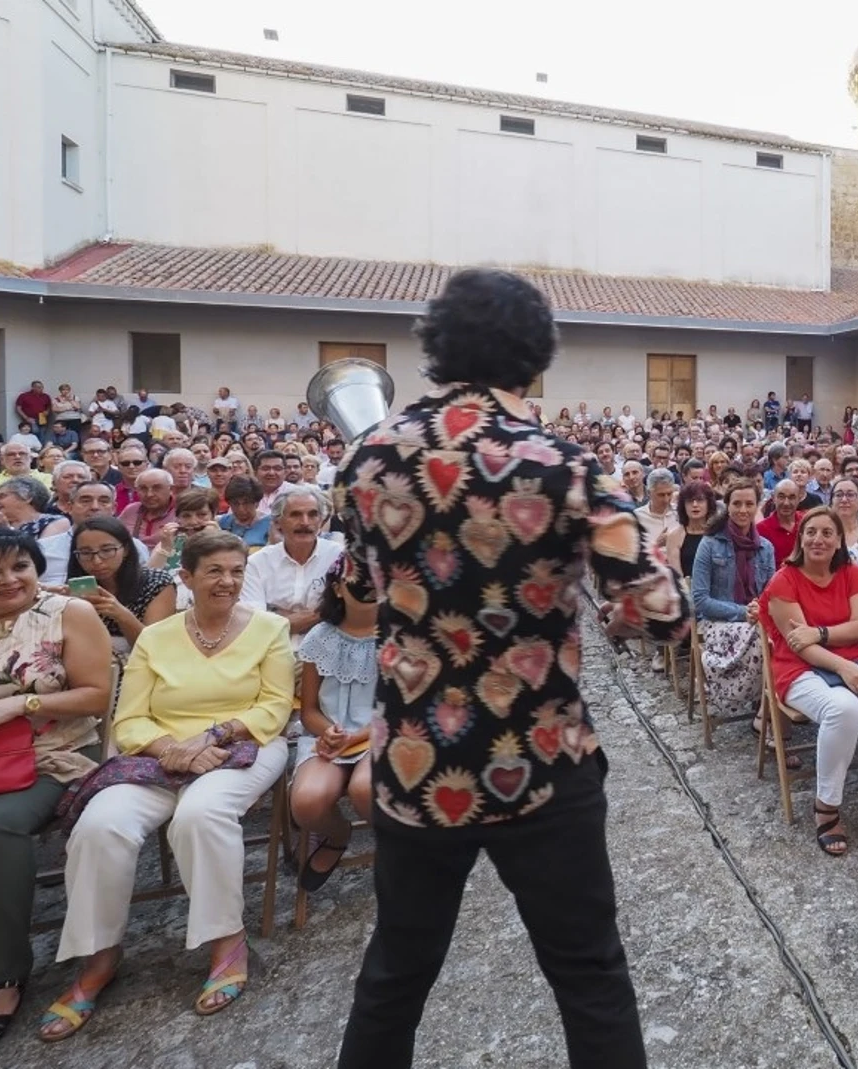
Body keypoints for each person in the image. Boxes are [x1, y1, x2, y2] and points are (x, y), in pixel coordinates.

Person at [334, 269, 687, 1068]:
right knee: (589, 977)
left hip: (415, 761)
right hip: (539, 761)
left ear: (436, 348)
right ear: (536, 358)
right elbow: (662, 612)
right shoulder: (562, 464)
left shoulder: (367, 457)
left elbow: (355, 595)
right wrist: (625, 598)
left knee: (393, 978)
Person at [44, 530, 293, 1038]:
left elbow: (274, 706)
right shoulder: (156, 638)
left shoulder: (269, 628)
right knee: (99, 824)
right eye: (215, 571)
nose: (227, 581)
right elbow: (130, 721)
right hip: (160, 755)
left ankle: (226, 939)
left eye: (237, 571)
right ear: (187, 577)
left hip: (243, 743)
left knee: (201, 815)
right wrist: (172, 750)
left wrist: (213, 734)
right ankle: (99, 955)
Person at [0, 529, 112, 1060]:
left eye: (20, 567)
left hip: (44, 758)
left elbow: (97, 695)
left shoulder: (67, 614)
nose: (10, 580)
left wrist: (14, 706)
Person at [758, 507, 858, 855]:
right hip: (799, 668)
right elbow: (799, 646)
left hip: (852, 659)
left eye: (827, 533)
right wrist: (841, 664)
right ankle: (826, 805)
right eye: (811, 532)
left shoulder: (852, 574)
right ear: (800, 537)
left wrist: (821, 633)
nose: (818, 539)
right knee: (844, 710)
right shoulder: (784, 581)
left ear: (839, 540)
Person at [289, 561, 378, 894]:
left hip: (382, 735)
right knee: (307, 802)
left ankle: (399, 842)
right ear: (338, 587)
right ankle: (338, 834)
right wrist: (328, 731)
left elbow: (402, 710)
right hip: (328, 736)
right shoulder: (320, 638)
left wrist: (359, 735)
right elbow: (309, 709)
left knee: (365, 788)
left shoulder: (399, 638)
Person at [691, 480, 775, 713]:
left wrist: (759, 610)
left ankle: (769, 704)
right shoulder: (709, 544)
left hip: (756, 619)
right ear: (727, 505)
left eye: (749, 504)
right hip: (717, 621)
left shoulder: (766, 548)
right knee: (764, 640)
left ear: (757, 506)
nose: (743, 510)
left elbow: (771, 592)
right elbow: (700, 599)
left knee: (781, 637)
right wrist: (742, 612)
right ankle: (765, 709)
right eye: (736, 503)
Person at [65, 515, 177, 655]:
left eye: (107, 550)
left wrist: (121, 615)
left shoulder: (156, 583)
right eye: (86, 553)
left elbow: (155, 649)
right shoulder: (77, 587)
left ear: (126, 550)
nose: (97, 561)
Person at [240, 484, 343, 636]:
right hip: (272, 650)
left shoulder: (339, 557)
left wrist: (274, 613)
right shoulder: (257, 563)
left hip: (327, 650)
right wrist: (325, 612)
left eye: (313, 514)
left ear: (321, 521)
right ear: (277, 522)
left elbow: (347, 613)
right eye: (295, 514)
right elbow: (256, 626)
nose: (305, 522)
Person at [664, 480, 717, 579]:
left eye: (700, 500)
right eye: (689, 501)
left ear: (708, 504)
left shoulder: (717, 533)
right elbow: (677, 577)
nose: (695, 504)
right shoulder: (674, 536)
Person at [216, 475, 272, 549]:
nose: (241, 509)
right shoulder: (222, 522)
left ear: (256, 503)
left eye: (247, 503)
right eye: (235, 503)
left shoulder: (269, 524)